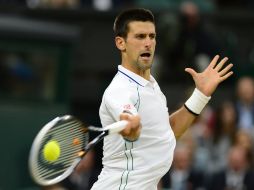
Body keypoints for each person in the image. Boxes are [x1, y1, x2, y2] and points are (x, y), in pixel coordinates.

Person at [91, 8, 233, 190]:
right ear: (121, 43)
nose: (148, 43)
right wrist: (131, 127)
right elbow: (129, 123)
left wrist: (200, 95)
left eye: (152, 36)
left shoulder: (151, 84)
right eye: (140, 37)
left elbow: (168, 132)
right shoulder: (119, 91)